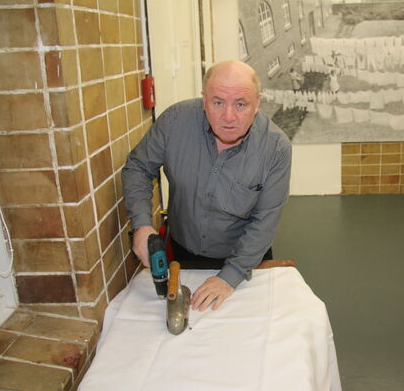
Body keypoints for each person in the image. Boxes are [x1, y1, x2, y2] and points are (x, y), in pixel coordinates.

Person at [122, 60, 292, 312]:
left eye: (241, 104)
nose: (229, 117)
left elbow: (265, 221)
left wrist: (230, 277)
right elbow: (138, 167)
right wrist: (141, 224)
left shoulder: (276, 148)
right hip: (183, 255)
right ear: (204, 100)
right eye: (218, 102)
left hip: (246, 261)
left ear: (257, 103)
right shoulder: (174, 122)